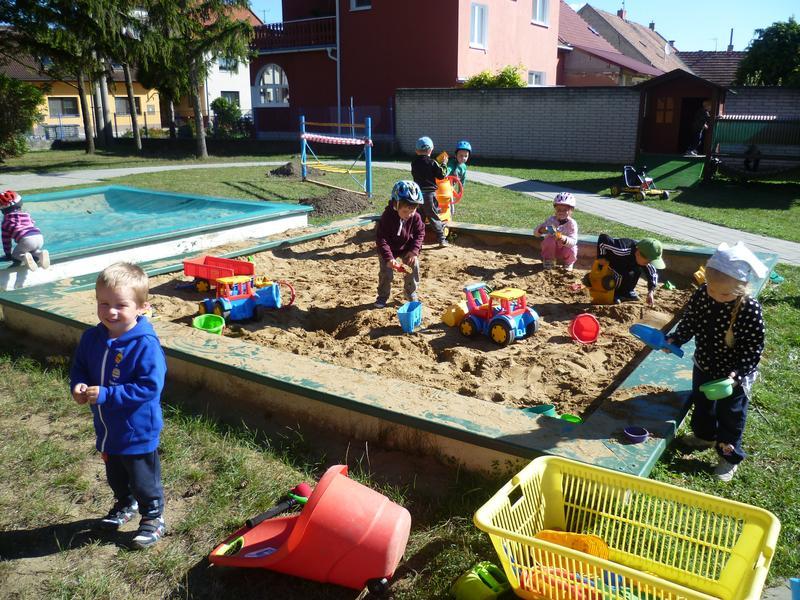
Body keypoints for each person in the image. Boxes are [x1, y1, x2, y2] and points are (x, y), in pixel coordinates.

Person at [69, 262, 168, 549]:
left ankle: (153, 517)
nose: (110, 311)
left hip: (137, 429)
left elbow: (149, 387)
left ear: (141, 307)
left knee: (143, 478)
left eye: (121, 305)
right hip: (107, 428)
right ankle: (125, 503)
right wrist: (78, 384)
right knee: (116, 475)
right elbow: (80, 367)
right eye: (104, 303)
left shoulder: (144, 345)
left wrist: (107, 395)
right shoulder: (92, 338)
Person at [666, 242, 767, 482]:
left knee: (731, 415)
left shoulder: (749, 310)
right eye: (711, 289)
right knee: (702, 404)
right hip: (704, 364)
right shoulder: (703, 294)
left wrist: (737, 374)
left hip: (733, 376)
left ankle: (728, 457)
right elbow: (691, 321)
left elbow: (753, 348)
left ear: (742, 288)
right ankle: (704, 436)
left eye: (724, 294)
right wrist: (676, 338)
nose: (716, 297)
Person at [375, 181, 426, 308]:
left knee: (413, 266)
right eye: (405, 211)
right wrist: (389, 258)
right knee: (386, 273)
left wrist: (414, 251)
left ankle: (410, 292)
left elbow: (420, 233)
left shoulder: (415, 217)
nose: (409, 215)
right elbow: (381, 239)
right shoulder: (387, 217)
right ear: (395, 204)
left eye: (412, 210)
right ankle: (383, 295)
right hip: (389, 249)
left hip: (406, 248)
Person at [596, 235, 665, 305]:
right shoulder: (621, 249)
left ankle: (627, 292)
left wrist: (651, 291)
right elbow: (603, 239)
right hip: (610, 264)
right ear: (638, 253)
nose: (648, 264)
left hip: (626, 266)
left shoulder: (644, 257)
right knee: (621, 275)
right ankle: (615, 293)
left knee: (636, 271)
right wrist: (602, 256)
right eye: (647, 262)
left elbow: (652, 273)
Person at [411, 136, 449, 248]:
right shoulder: (432, 163)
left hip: (417, 195)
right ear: (431, 150)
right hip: (429, 195)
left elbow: (418, 172)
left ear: (416, 151)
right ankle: (441, 239)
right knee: (433, 215)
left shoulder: (414, 163)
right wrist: (444, 164)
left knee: (420, 217)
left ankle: (416, 241)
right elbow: (441, 175)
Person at [1, 189, 50, 270]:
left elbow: (6, 241)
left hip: (26, 239)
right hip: (38, 236)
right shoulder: (26, 215)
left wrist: (8, 254)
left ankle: (24, 257)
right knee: (33, 251)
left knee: (15, 255)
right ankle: (40, 254)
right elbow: (32, 223)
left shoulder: (6, 222)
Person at [535, 192, 578, 271]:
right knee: (549, 240)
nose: (561, 212)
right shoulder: (551, 220)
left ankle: (568, 263)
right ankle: (548, 261)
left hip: (565, 250)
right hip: (551, 250)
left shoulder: (572, 223)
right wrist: (541, 230)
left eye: (565, 210)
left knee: (572, 248)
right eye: (559, 209)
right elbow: (536, 233)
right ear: (555, 209)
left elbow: (573, 241)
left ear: (571, 210)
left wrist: (562, 238)